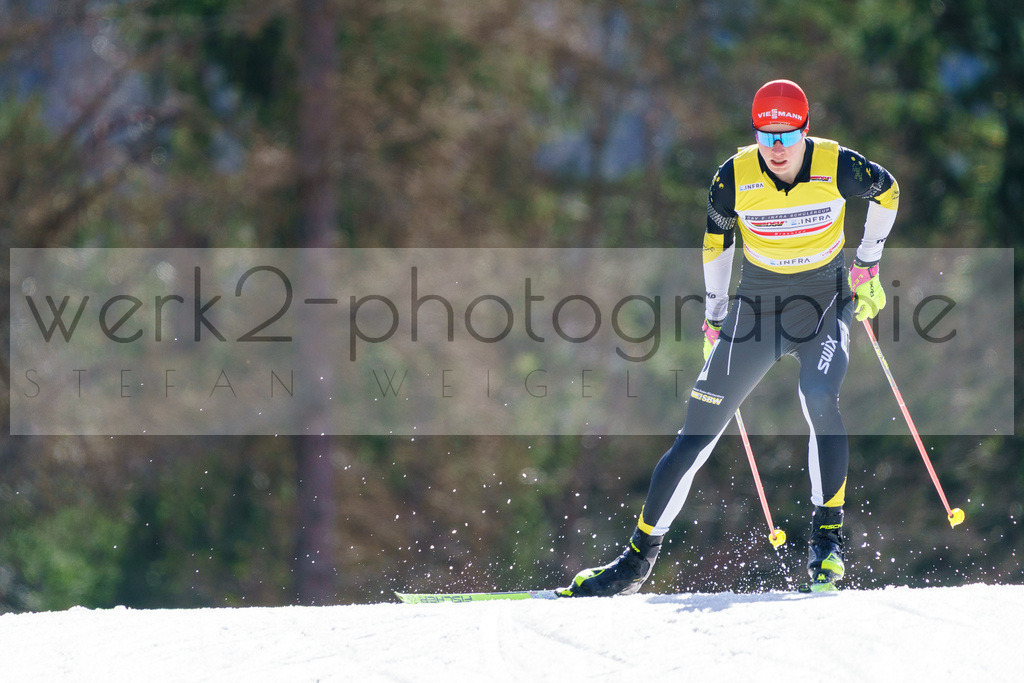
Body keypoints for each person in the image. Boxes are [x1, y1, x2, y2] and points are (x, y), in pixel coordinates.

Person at [560, 79, 899, 596]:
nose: (777, 149)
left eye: (787, 136)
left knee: (819, 395)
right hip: (756, 311)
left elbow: (888, 191)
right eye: (767, 136)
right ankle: (634, 564)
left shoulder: (838, 165)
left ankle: (827, 544)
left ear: (806, 131)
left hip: (824, 304)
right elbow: (716, 243)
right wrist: (714, 318)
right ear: (755, 134)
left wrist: (868, 261)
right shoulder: (733, 177)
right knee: (696, 431)